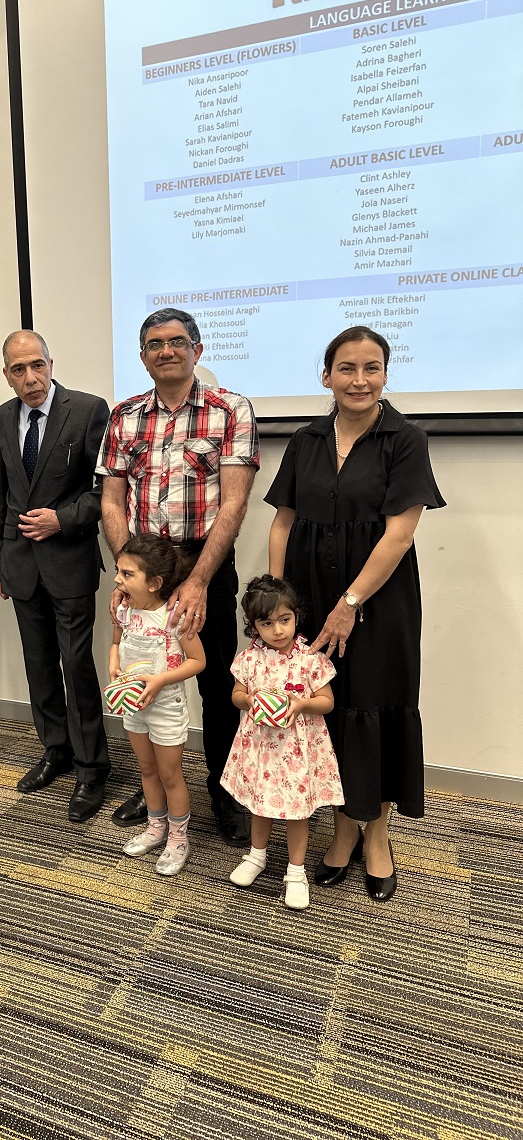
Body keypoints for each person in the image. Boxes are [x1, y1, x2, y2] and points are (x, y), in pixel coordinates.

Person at [265, 325, 445, 902]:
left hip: (379, 601)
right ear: (327, 376)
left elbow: (399, 535)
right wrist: (278, 602)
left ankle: (377, 833)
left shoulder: (406, 439)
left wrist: (349, 605)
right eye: (347, 368)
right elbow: (282, 523)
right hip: (310, 596)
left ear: (385, 375)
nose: (359, 380)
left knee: (374, 704)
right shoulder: (306, 440)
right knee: (331, 709)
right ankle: (343, 828)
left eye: (372, 368)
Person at [98, 307, 259, 846]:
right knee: (141, 676)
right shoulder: (124, 415)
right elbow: (111, 501)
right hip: (144, 565)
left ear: (197, 349)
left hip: (203, 562)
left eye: (176, 341)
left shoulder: (231, 409)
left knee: (214, 684)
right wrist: (128, 573)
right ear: (143, 356)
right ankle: (155, 794)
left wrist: (197, 581)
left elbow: (234, 503)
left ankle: (223, 792)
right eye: (154, 344)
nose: (165, 351)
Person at [0, 330, 112, 822]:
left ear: (50, 364)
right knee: (38, 664)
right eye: (19, 369)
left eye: (37, 365)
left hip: (69, 561)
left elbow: (106, 489)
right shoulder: (0, 419)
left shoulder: (87, 409)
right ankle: (56, 750)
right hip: (20, 565)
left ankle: (91, 767)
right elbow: (3, 495)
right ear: (7, 375)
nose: (30, 377)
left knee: (76, 666)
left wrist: (62, 519)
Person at [222, 575, 341, 910]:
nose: (277, 630)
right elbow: (236, 695)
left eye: (284, 620)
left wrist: (302, 704)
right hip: (260, 748)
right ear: (253, 626)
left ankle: (296, 872)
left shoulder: (310, 658)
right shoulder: (249, 658)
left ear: (296, 617)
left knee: (297, 813)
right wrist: (249, 700)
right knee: (259, 804)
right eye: (267, 623)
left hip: (297, 751)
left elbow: (327, 702)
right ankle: (256, 856)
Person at [109, 535, 205, 875]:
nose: (117, 580)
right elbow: (116, 643)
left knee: (169, 774)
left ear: (154, 583)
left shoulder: (174, 617)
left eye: (127, 574)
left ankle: (178, 838)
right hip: (133, 705)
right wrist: (113, 663)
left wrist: (161, 680)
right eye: (118, 571)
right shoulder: (124, 610)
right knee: (147, 769)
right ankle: (155, 826)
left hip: (166, 706)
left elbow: (198, 661)